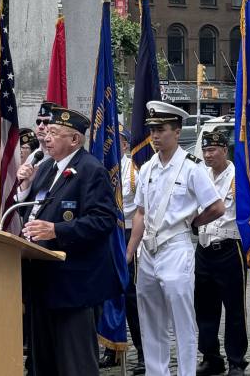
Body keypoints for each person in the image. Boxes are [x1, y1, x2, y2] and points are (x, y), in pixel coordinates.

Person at [126, 101, 224, 376]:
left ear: (177, 131)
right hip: (149, 249)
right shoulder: (146, 169)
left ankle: (186, 372)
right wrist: (129, 252)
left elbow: (217, 206)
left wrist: (195, 222)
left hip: (176, 245)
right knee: (150, 319)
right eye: (153, 129)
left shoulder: (192, 168)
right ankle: (156, 372)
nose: (155, 135)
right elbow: (141, 213)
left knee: (182, 319)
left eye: (161, 129)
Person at [21, 105, 118, 376]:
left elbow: (103, 220)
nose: (46, 137)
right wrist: (24, 189)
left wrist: (57, 230)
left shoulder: (90, 170)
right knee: (44, 363)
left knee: (75, 364)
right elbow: (35, 211)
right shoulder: (47, 168)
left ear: (74, 139)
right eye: (46, 131)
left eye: (54, 132)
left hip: (74, 285)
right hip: (43, 281)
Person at [194, 130, 248, 376]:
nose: (208, 155)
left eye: (213, 150)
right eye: (205, 150)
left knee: (234, 308)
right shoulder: (200, 176)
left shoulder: (239, 177)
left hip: (229, 248)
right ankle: (211, 357)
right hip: (204, 248)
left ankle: (237, 361)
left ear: (224, 150)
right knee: (204, 307)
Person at [99, 124, 144, 374]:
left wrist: (134, 245)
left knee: (130, 297)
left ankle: (142, 353)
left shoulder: (134, 171)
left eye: (118, 141)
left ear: (125, 145)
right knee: (108, 295)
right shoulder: (102, 169)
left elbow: (140, 210)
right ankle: (112, 349)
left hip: (127, 233)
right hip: (107, 233)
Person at [16, 102, 54, 200]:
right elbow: (19, 198)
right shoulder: (33, 156)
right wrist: (25, 183)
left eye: (46, 123)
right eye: (38, 122)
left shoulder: (58, 157)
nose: (41, 126)